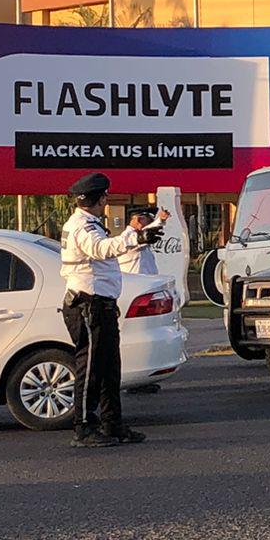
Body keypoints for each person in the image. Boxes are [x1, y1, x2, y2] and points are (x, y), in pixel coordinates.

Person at [59, 173, 168, 448]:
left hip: (100, 305)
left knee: (109, 368)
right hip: (88, 305)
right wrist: (137, 238)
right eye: (105, 196)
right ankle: (83, 427)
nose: (107, 200)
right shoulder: (83, 227)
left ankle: (112, 423)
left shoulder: (88, 223)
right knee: (92, 367)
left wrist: (140, 237)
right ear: (99, 198)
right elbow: (100, 249)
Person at [118, 204, 164, 277]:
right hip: (134, 285)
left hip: (146, 284)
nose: (151, 224)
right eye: (149, 220)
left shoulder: (142, 238)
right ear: (138, 220)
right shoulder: (129, 236)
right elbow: (131, 240)